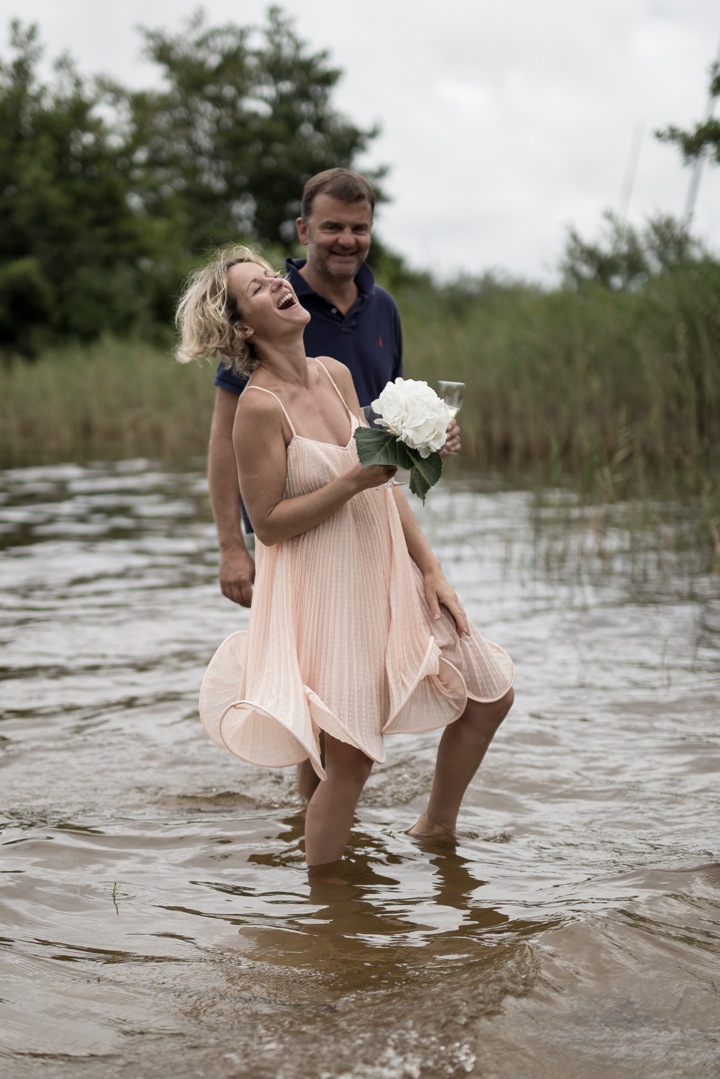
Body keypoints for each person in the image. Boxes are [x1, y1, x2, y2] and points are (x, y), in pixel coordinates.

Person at [176, 245, 514, 878]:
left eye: (271, 274)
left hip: (387, 573)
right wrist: (351, 483)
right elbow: (269, 524)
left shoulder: (334, 373)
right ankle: (328, 909)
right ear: (243, 327)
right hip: (325, 595)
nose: (278, 282)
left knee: (490, 690)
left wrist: (431, 570)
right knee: (352, 760)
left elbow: (383, 487)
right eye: (258, 287)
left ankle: (436, 827)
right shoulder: (257, 407)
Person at [207, 167, 460, 609]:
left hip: (374, 520)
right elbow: (225, 440)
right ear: (304, 230)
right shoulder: (266, 311)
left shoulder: (383, 309)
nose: (347, 240)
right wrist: (230, 546)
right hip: (301, 550)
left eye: (359, 228)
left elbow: (380, 427)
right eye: (332, 227)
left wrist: (427, 433)